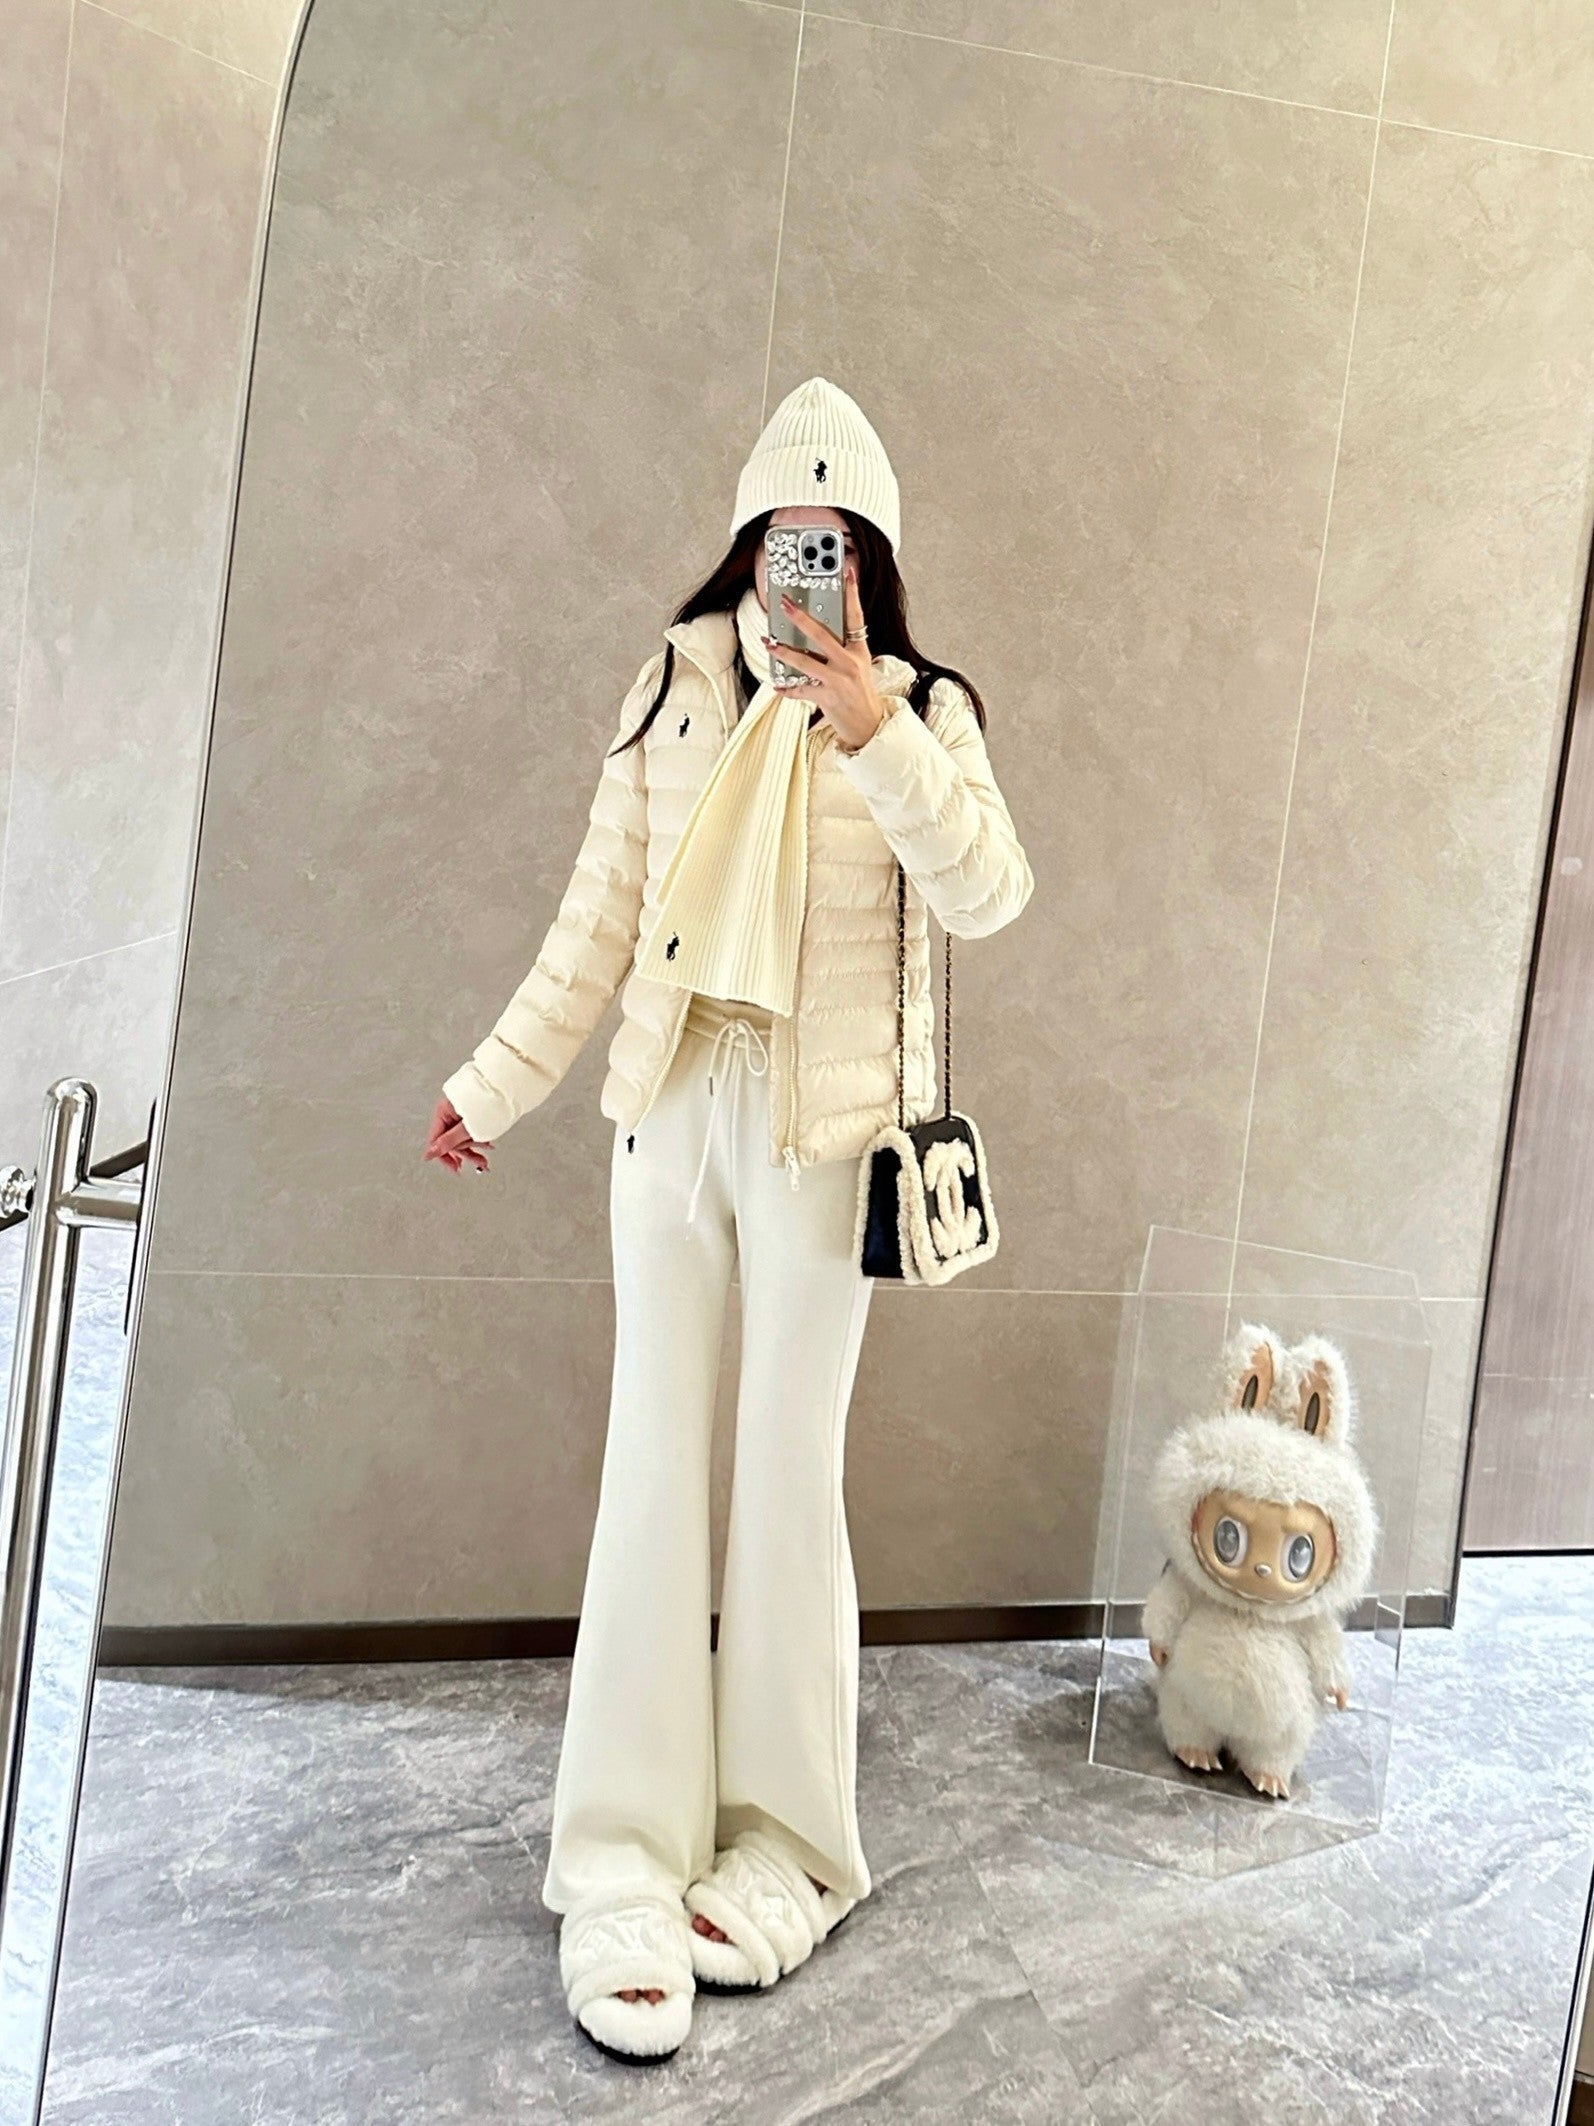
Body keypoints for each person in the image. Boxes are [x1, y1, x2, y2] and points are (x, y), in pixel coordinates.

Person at [425, 377, 1034, 2064]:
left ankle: (791, 1847)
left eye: (831, 544)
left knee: (785, 1474)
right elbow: (596, 918)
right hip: (670, 1112)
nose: (799, 568)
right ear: (748, 541)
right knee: (649, 1467)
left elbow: (987, 892)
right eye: (780, 537)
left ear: (871, 559)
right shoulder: (672, 685)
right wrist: (492, 1082)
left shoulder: (924, 709)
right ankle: (621, 1859)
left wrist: (876, 730)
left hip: (820, 1140)